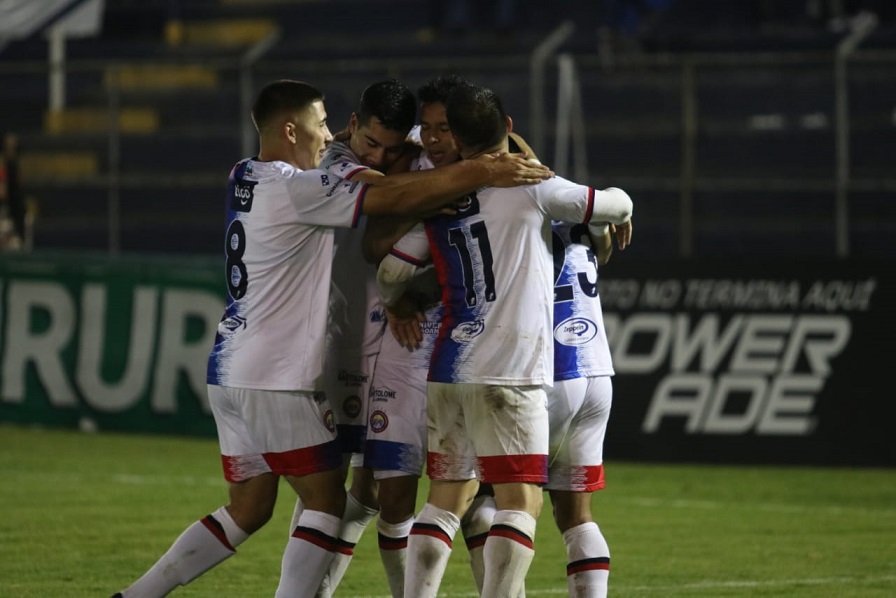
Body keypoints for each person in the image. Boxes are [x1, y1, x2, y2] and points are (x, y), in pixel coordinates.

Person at [110, 78, 552, 598]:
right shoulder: (301, 187)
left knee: (249, 509)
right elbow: (389, 194)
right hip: (277, 375)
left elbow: (421, 149)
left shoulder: (244, 174)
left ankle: (136, 595)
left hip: (230, 370)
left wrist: (481, 149)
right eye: (322, 124)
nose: (329, 134)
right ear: (292, 129)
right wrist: (481, 170)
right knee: (327, 502)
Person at [376, 83, 633, 597]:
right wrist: (620, 213)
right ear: (509, 129)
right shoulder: (538, 187)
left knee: (445, 500)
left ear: (458, 141)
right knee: (520, 502)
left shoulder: (441, 198)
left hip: (451, 364)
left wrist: (402, 296)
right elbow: (611, 203)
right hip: (517, 366)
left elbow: (389, 268)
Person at [546, 215, 631, 598]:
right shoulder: (581, 205)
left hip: (546, 372)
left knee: (488, 500)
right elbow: (607, 247)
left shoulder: (512, 203)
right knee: (575, 517)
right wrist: (619, 210)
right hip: (596, 371)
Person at [0, 132, 24, 250]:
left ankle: (17, 239)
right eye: (8, 141)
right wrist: (3, 187)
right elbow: (3, 177)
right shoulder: (4, 160)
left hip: (15, 196)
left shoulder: (16, 159)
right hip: (7, 197)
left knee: (16, 218)